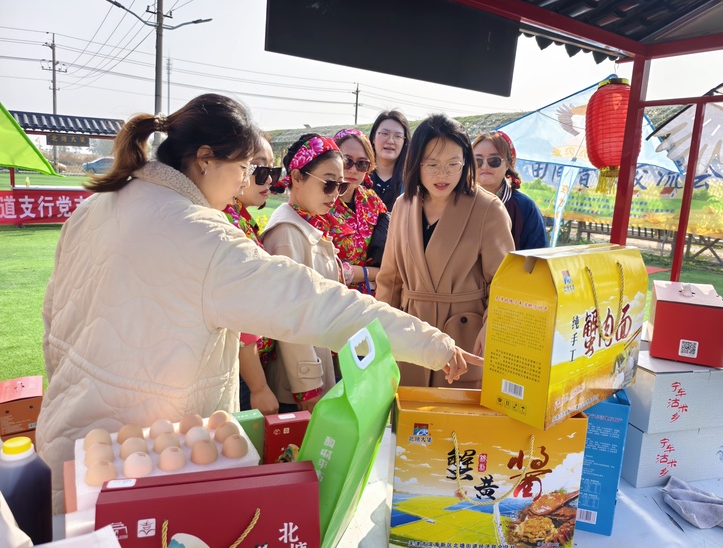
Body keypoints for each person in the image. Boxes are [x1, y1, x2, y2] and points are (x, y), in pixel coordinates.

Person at [37, 94, 480, 513]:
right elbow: (321, 305)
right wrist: (433, 344)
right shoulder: (203, 239)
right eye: (245, 167)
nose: (247, 182)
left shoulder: (98, 203)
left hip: (70, 448)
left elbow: (54, 321)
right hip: (145, 470)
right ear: (206, 158)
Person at [376, 114, 514, 388]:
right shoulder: (403, 205)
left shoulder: (488, 209)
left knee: (455, 426)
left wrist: (492, 329)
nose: (444, 175)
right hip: (411, 336)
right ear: (416, 163)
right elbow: (390, 280)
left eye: (454, 164)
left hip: (463, 341)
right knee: (408, 422)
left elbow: (506, 284)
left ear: (465, 163)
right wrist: (379, 333)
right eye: (433, 165)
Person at [261, 133, 351, 412]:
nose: (335, 194)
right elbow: (289, 318)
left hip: (314, 366)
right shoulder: (287, 233)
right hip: (296, 388)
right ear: (297, 177)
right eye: (328, 184)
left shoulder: (306, 223)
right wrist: (308, 389)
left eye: (341, 185)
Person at [223, 133, 281, 415]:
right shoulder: (227, 221)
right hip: (241, 372)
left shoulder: (241, 217)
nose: (269, 180)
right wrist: (259, 387)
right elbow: (241, 317)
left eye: (273, 170)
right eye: (260, 169)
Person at [326, 128, 389, 295]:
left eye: (362, 164)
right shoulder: (322, 201)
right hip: (335, 300)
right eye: (346, 161)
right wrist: (372, 273)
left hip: (375, 299)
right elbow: (321, 266)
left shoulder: (372, 201)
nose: (353, 170)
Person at [473, 131, 548, 250]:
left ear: (508, 163)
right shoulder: (456, 200)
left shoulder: (525, 207)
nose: (485, 166)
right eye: (478, 160)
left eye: (494, 160)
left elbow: (537, 256)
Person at [368, 110, 410, 211]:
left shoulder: (411, 182)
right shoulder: (358, 177)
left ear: (405, 142)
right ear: (373, 137)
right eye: (384, 133)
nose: (390, 141)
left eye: (398, 136)